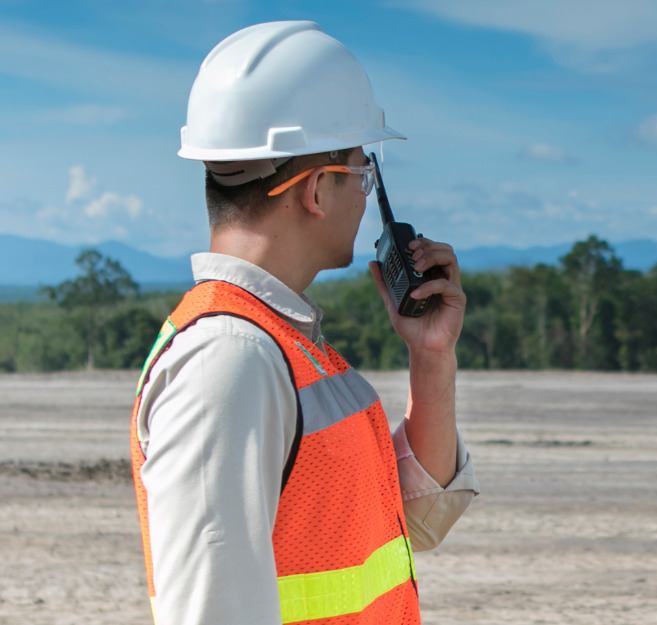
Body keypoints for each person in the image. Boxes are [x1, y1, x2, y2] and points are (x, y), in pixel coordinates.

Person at [128, 21, 478, 624]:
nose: (368, 196)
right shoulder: (228, 360)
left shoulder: (282, 343)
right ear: (317, 190)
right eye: (362, 174)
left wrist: (431, 358)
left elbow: (414, 520)